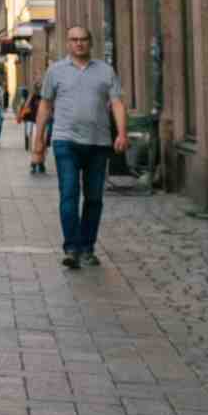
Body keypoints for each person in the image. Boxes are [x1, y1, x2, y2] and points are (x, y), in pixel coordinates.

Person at [37, 26, 126, 269]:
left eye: (83, 39)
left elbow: (117, 103)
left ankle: (87, 247)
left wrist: (122, 133)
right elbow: (45, 105)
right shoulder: (55, 71)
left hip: (98, 143)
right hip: (65, 141)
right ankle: (71, 248)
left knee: (94, 198)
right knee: (69, 194)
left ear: (90, 42)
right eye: (74, 40)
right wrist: (38, 140)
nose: (79, 43)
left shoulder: (105, 71)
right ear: (68, 43)